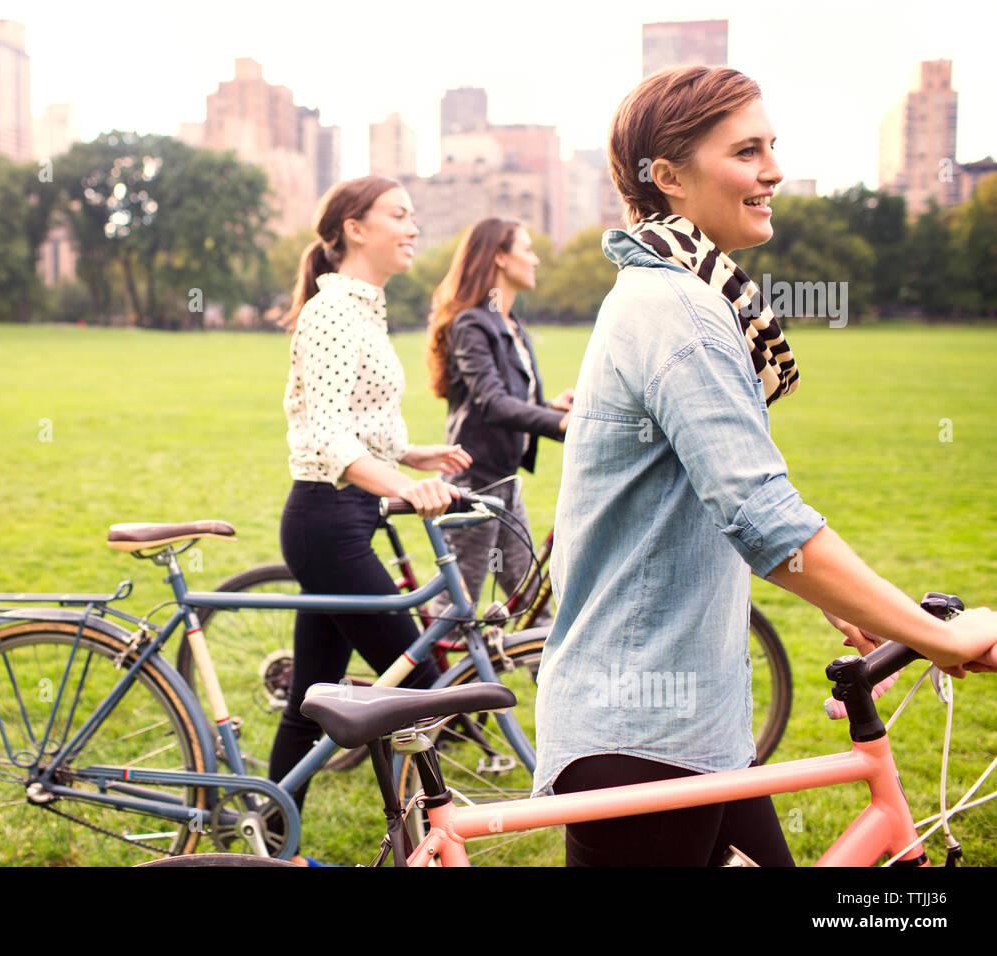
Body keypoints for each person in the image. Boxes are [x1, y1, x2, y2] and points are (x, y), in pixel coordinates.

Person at [532, 65, 997, 866]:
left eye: (771, 147)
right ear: (669, 177)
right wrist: (937, 637)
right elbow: (761, 517)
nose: (773, 170)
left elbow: (728, 489)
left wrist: (853, 607)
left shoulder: (682, 294)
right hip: (646, 733)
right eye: (747, 151)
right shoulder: (678, 309)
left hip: (684, 722)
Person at [272, 175, 471, 861]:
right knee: (417, 687)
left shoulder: (361, 309)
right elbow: (328, 436)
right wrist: (403, 487)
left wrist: (414, 455)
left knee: (309, 700)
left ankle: (271, 842)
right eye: (399, 214)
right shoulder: (333, 314)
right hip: (327, 519)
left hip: (341, 516)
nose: (413, 227)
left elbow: (356, 422)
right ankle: (428, 832)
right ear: (355, 227)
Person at [424, 219, 571, 625]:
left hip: (504, 485)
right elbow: (492, 403)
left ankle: (550, 687)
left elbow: (517, 401)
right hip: (474, 485)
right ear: (500, 257)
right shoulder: (473, 323)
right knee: (455, 613)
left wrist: (554, 408)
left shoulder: (511, 325)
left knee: (531, 604)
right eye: (526, 249)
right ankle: (424, 684)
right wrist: (562, 426)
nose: (535, 258)